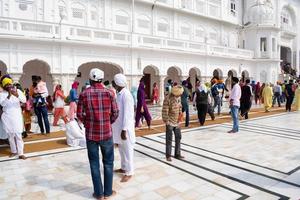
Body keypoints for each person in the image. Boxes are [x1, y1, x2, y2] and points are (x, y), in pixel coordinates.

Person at [77, 68, 119, 200]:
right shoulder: (110, 93)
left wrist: (87, 123)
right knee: (108, 163)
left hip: (91, 135)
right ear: (101, 79)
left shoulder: (84, 94)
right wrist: (107, 122)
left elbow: (79, 114)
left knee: (94, 164)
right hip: (106, 133)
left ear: (90, 79)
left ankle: (99, 194)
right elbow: (115, 113)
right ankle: (107, 192)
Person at [112, 74, 136, 183]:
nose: (113, 84)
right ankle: (123, 167)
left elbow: (128, 114)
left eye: (114, 82)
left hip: (124, 129)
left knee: (128, 151)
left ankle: (129, 172)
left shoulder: (126, 95)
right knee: (121, 150)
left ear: (117, 83)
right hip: (119, 128)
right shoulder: (119, 94)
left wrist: (124, 129)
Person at [0, 77, 26, 159]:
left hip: (16, 116)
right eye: (6, 84)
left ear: (11, 84)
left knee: (18, 135)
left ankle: (21, 153)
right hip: (7, 117)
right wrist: (8, 96)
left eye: (9, 84)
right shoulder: (1, 94)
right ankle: (14, 151)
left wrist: (16, 95)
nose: (8, 85)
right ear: (3, 86)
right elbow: (3, 104)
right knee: (10, 136)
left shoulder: (17, 91)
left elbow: (24, 100)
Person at [162, 85, 184, 162]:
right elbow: (165, 110)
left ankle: (177, 154)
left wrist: (180, 116)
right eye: (180, 94)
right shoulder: (168, 99)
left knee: (178, 137)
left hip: (177, 121)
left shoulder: (178, 98)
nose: (180, 95)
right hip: (170, 122)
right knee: (169, 139)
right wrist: (166, 121)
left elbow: (180, 107)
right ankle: (168, 155)